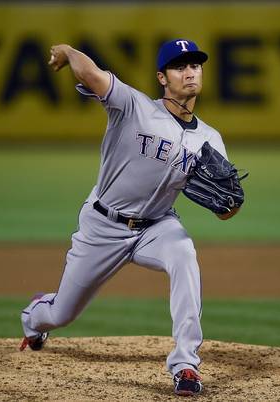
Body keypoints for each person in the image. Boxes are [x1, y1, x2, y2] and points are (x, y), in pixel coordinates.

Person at [19, 38, 240, 396]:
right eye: (179, 67)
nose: (189, 72)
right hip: (103, 225)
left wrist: (230, 205)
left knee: (184, 254)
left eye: (195, 65)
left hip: (158, 226)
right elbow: (91, 75)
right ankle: (33, 317)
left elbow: (227, 210)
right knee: (62, 314)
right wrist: (69, 52)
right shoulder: (133, 106)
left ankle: (185, 364)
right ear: (162, 78)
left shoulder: (210, 139)